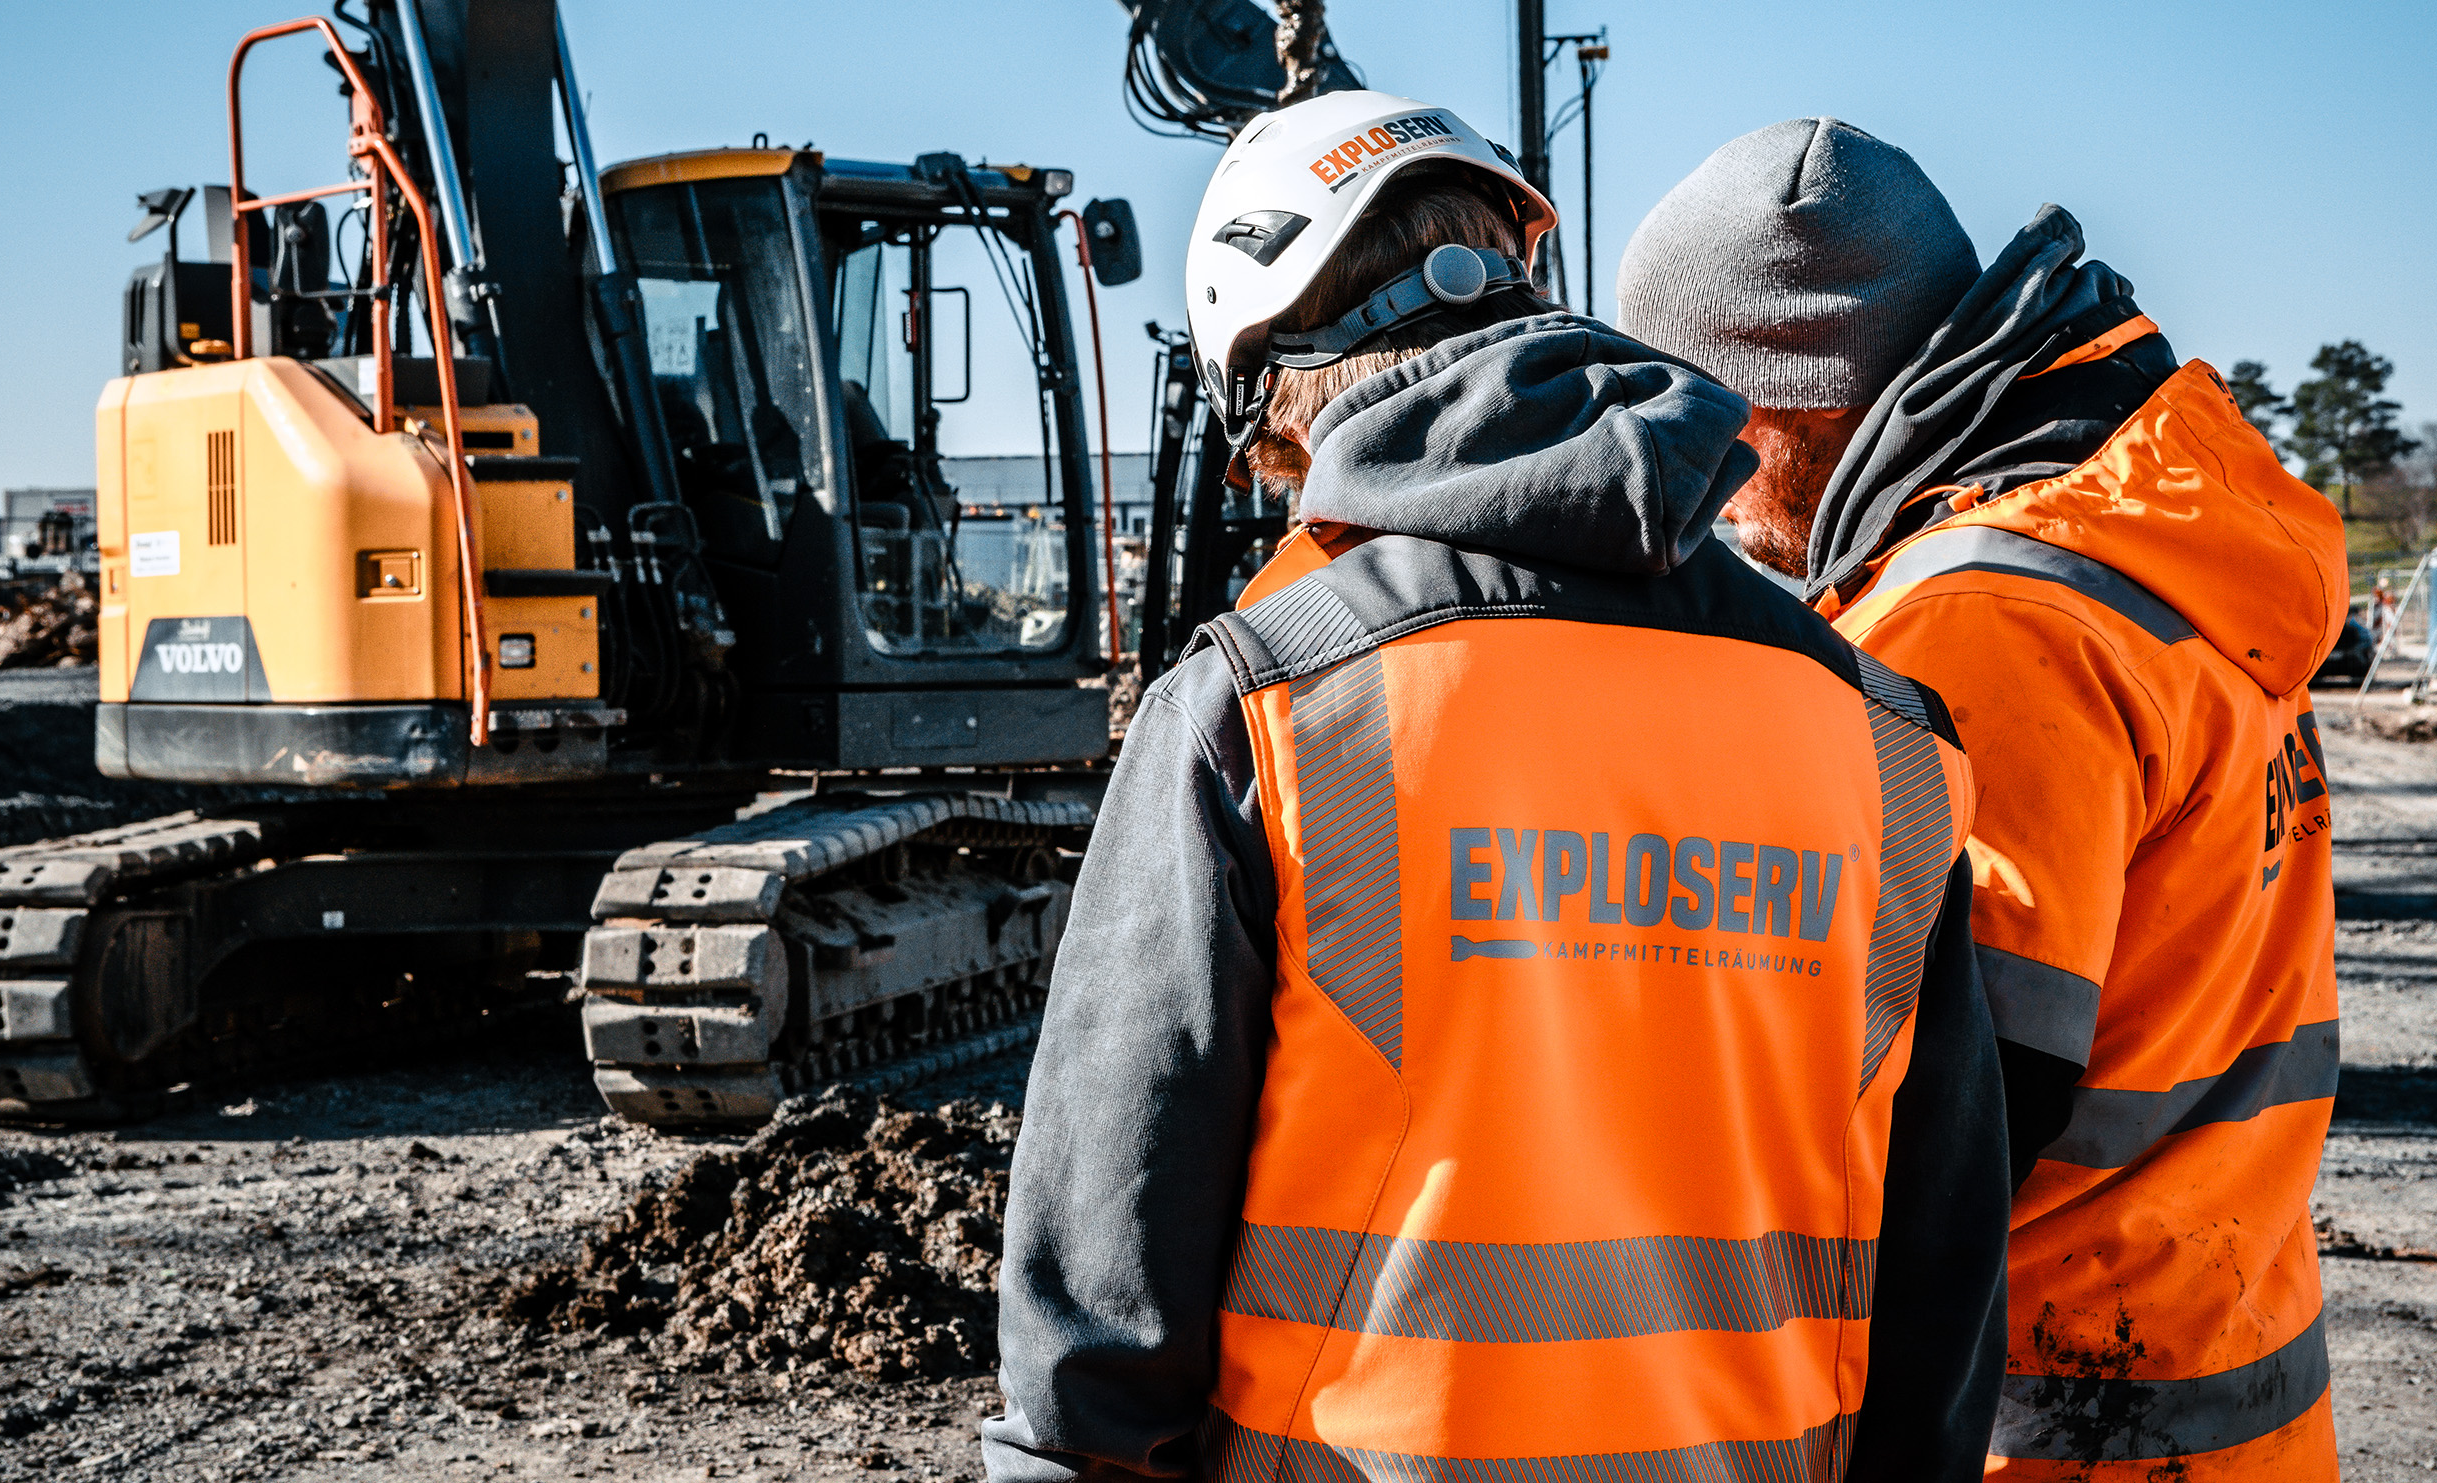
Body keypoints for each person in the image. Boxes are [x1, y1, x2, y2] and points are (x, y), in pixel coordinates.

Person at [983, 90, 2010, 1483]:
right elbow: (1940, 1307)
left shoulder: (1268, 710)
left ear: (1285, 387)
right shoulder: (1886, 738)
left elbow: (1105, 1309)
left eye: (1282, 467)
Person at [1618, 117, 2348, 1480]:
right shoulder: (2152, 553)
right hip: (2219, 1390)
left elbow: (1942, 1129)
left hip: (2047, 1425)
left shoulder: (1984, 631)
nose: (1712, 486)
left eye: (1712, 417)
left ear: (1795, 396)